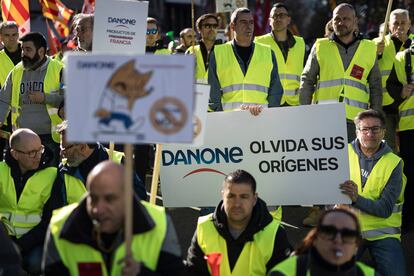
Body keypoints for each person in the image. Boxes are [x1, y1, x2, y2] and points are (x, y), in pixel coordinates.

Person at [42, 161, 185, 275]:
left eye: (110, 199)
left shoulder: (159, 223)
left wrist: (142, 273)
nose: (99, 209)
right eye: (93, 198)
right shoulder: (61, 225)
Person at [299, 3, 382, 142]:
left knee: (353, 162)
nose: (340, 22)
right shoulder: (320, 46)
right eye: (337, 19)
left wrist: (375, 119)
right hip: (324, 119)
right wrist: (305, 113)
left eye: (346, 19)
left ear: (355, 21)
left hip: (357, 121)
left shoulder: (369, 48)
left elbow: (376, 86)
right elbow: (307, 80)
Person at [186, 169, 292, 276]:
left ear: (254, 198)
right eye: (231, 196)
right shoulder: (204, 227)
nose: (237, 204)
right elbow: (194, 272)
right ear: (222, 196)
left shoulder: (275, 234)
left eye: (244, 197)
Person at [339, 109, 406, 276]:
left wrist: (356, 199)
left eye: (375, 129)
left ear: (383, 131)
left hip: (382, 233)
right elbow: (327, 194)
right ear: (356, 131)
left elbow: (384, 209)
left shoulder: (394, 163)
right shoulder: (341, 153)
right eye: (364, 129)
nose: (370, 134)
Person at [0, 128, 60, 274]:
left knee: (35, 263)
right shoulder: (1, 171)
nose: (38, 156)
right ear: (15, 154)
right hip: (3, 239)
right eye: (31, 152)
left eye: (40, 150)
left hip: (35, 242)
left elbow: (50, 220)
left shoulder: (52, 175)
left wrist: (20, 245)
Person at [0, 32, 64, 166]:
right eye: (22, 49)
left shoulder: (59, 69)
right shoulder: (17, 71)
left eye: (28, 49)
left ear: (41, 51)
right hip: (22, 138)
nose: (23, 53)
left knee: (47, 180)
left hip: (50, 139)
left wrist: (45, 98)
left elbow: (70, 101)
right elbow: (3, 101)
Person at [208, 8, 283, 113]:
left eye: (251, 22)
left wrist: (268, 114)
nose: (248, 26)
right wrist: (221, 116)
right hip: (230, 121)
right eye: (243, 22)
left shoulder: (268, 53)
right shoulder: (218, 53)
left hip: (261, 119)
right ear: (233, 26)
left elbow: (276, 90)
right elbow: (212, 92)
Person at [54, 120, 147, 205]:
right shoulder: (64, 169)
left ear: (82, 147)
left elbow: (139, 199)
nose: (61, 153)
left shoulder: (118, 162)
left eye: (64, 149)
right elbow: (58, 209)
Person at [269, 207, 376, 275]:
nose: (338, 240)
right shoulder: (284, 273)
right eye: (329, 232)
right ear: (315, 238)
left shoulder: (370, 274)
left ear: (356, 244)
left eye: (347, 234)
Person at [374, 9, 412, 152]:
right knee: (390, 151)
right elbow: (364, 67)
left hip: (409, 109)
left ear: (409, 25)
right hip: (387, 109)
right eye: (396, 23)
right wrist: (375, 54)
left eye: (403, 23)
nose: (399, 26)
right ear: (389, 25)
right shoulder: (379, 43)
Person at [255, 3, 306, 106]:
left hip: (295, 102)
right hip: (271, 101)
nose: (278, 19)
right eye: (275, 16)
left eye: (282, 15)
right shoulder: (259, 42)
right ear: (270, 21)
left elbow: (306, 72)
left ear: (288, 20)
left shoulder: (300, 43)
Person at [390, 46, 414, 232]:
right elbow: (391, 86)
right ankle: (407, 219)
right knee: (410, 175)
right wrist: (401, 92)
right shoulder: (402, 57)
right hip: (409, 126)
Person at [0, 21, 21, 159]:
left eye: (14, 35)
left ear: (19, 35)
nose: (11, 38)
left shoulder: (29, 54)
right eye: (7, 35)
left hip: (29, 114)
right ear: (1, 37)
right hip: (4, 118)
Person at [186, 13, 219, 83]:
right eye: (207, 26)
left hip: (218, 93)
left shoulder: (226, 50)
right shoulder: (191, 51)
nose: (212, 29)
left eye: (215, 26)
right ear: (199, 29)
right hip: (198, 93)